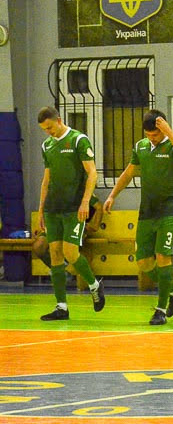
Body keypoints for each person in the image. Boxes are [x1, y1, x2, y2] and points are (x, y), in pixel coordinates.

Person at [104, 109, 173, 325]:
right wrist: (112, 195)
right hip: (147, 211)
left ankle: (161, 310)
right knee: (143, 262)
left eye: (155, 134)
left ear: (162, 128)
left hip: (170, 209)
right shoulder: (141, 147)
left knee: (163, 257)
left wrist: (169, 133)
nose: (152, 138)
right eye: (149, 135)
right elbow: (128, 173)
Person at [36, 106, 106, 320]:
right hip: (53, 208)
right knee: (54, 253)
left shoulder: (78, 140)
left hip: (74, 207)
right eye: (44, 129)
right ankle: (61, 307)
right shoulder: (47, 145)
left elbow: (92, 173)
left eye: (50, 127)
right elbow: (46, 180)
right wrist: (41, 210)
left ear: (58, 120)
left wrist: (86, 202)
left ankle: (94, 285)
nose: (48, 132)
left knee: (70, 252)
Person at [33, 193, 103, 285]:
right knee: (39, 246)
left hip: (76, 225)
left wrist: (95, 225)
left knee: (68, 243)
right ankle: (60, 269)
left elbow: (99, 207)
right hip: (57, 224)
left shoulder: (83, 191)